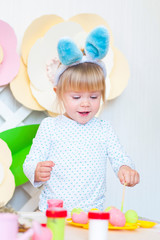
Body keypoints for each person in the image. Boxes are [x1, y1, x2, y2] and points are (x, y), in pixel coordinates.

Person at [23, 26, 140, 213]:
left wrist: (125, 168)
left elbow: (120, 158)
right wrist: (36, 171)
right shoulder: (50, 127)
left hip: (92, 214)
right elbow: (30, 161)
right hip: (54, 212)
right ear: (59, 93)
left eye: (94, 97)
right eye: (76, 97)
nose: (85, 104)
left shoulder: (104, 129)